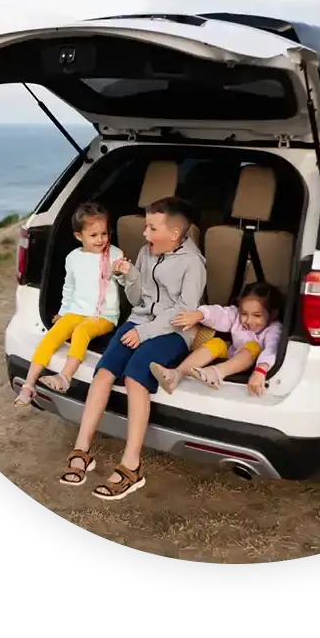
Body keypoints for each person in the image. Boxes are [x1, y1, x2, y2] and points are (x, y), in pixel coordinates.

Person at [58, 196, 206, 501]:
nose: (145, 233)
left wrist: (146, 332)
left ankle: (131, 465)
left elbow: (184, 311)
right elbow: (139, 299)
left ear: (174, 235)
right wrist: (129, 275)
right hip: (138, 322)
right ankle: (82, 449)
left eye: (151, 228)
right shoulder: (145, 252)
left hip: (172, 330)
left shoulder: (193, 264)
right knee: (104, 373)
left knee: (136, 377)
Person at [14, 202, 123, 407]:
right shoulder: (73, 258)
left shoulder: (114, 254)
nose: (101, 239)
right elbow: (69, 288)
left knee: (81, 331)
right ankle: (29, 384)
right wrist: (64, 312)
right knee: (54, 334)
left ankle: (65, 377)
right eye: (93, 235)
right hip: (77, 311)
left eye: (104, 233)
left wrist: (122, 273)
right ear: (78, 236)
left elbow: (124, 283)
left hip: (103, 316)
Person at [152, 281, 283, 397]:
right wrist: (199, 315)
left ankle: (217, 373)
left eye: (257, 315)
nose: (249, 320)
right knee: (218, 343)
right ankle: (177, 374)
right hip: (232, 355)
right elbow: (220, 314)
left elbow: (272, 349)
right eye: (244, 314)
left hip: (251, 362)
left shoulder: (274, 328)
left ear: (273, 313)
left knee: (253, 346)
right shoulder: (236, 316)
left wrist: (260, 371)